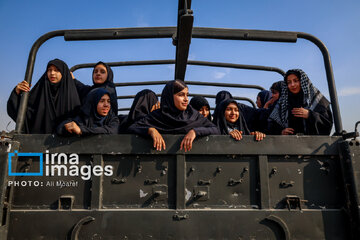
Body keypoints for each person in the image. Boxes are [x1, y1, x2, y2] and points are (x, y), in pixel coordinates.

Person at [128, 80, 219, 152]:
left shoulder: (193, 115)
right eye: (181, 95)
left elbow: (214, 129)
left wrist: (195, 131)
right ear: (170, 97)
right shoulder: (157, 115)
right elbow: (133, 127)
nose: (186, 99)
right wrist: (151, 130)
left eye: (187, 95)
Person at [7, 59, 81, 133]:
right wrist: (16, 92)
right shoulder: (39, 92)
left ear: (63, 73)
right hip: (39, 141)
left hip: (66, 141)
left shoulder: (72, 95)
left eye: (57, 70)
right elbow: (24, 113)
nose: (52, 73)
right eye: (49, 70)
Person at [268, 69, 333, 135]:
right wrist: (281, 131)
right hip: (288, 143)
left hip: (313, 143)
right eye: (289, 82)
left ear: (302, 81)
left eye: (296, 81)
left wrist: (309, 115)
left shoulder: (317, 99)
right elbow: (271, 124)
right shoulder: (283, 102)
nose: (292, 85)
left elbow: (327, 123)